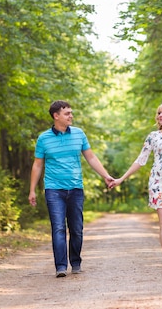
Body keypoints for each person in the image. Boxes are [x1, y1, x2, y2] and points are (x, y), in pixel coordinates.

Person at [29, 100, 114, 278]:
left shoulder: (79, 134)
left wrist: (105, 175)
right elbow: (37, 165)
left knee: (76, 228)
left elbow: (91, 158)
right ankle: (61, 266)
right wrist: (32, 190)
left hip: (76, 188)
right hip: (53, 189)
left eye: (71, 113)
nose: (71, 116)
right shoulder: (44, 138)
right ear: (56, 116)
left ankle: (75, 262)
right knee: (58, 227)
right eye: (67, 113)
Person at [110, 102, 162, 272]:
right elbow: (141, 160)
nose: (161, 115)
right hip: (158, 184)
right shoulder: (153, 137)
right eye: (159, 113)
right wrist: (121, 179)